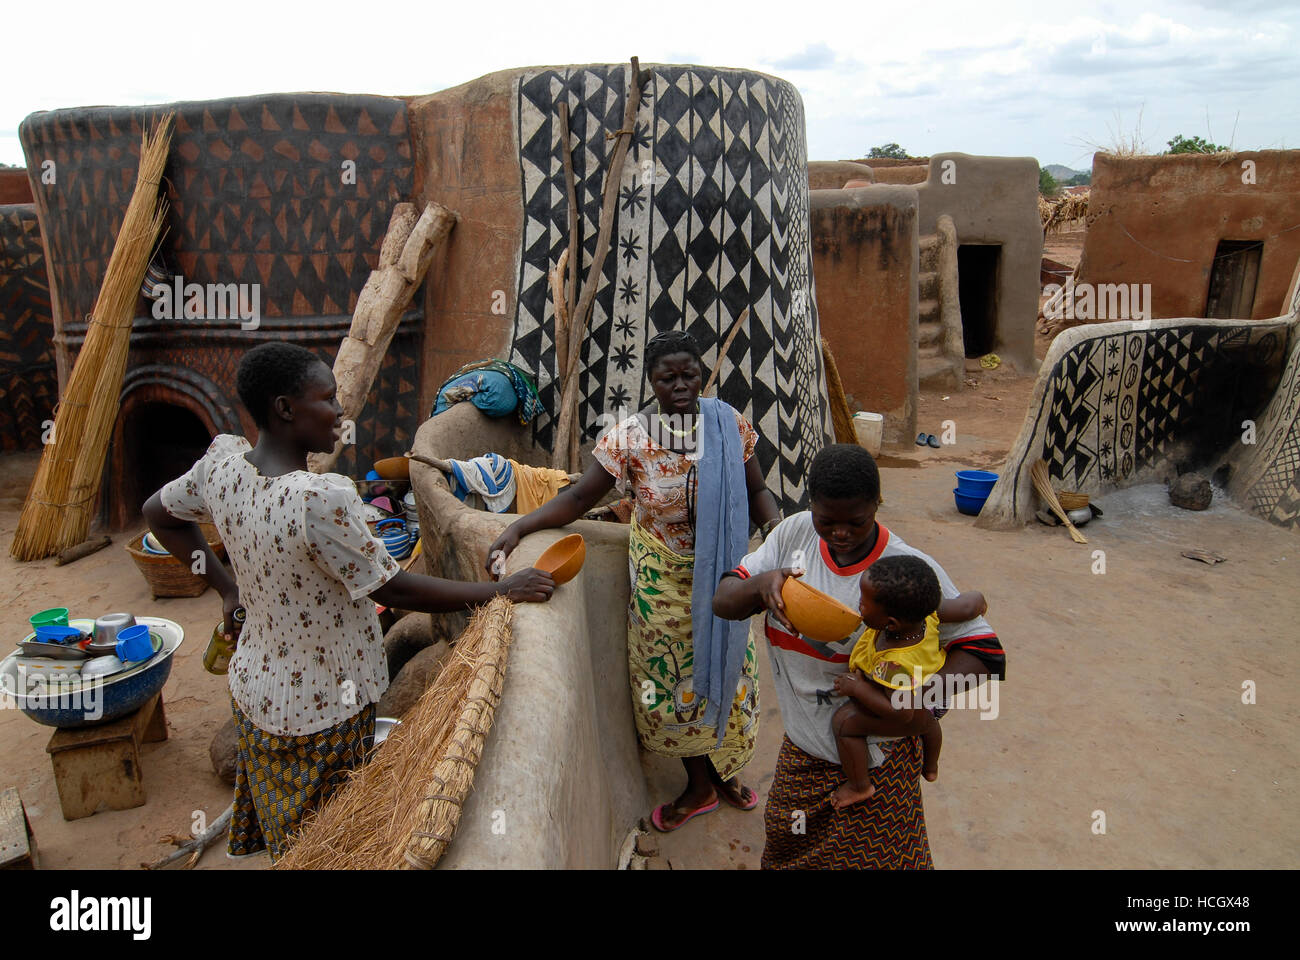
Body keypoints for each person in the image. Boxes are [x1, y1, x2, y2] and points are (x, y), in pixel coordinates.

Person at [143, 343, 554, 863]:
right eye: (328, 399)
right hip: (324, 708)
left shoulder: (221, 467)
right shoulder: (317, 499)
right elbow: (393, 588)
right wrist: (498, 590)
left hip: (255, 692)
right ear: (286, 409)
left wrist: (227, 586)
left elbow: (158, 513)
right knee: (330, 843)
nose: (340, 412)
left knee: (290, 834)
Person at [487, 330, 783, 831]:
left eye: (689, 373)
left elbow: (757, 490)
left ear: (702, 372)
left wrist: (778, 537)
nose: (681, 385)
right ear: (652, 381)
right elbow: (579, 498)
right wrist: (518, 525)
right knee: (670, 679)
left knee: (732, 672)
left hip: (727, 576)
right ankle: (698, 782)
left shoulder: (729, 424)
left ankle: (725, 766)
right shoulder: (629, 439)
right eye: (668, 377)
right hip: (661, 579)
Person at [712, 443, 1005, 869]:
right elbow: (723, 602)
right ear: (811, 505)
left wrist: (910, 702)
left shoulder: (904, 568)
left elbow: (984, 650)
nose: (841, 533)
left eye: (857, 521)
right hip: (803, 749)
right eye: (827, 520)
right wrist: (761, 585)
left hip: (878, 757)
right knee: (785, 845)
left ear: (876, 505)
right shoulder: (793, 536)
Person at [829, 557, 987, 809]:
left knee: (844, 722)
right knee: (928, 723)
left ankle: (860, 786)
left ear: (891, 623)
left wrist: (857, 688)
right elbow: (969, 606)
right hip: (931, 692)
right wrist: (980, 601)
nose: (858, 605)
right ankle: (931, 765)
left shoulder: (895, 663)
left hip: (907, 702)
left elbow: (900, 712)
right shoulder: (929, 615)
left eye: (863, 603)